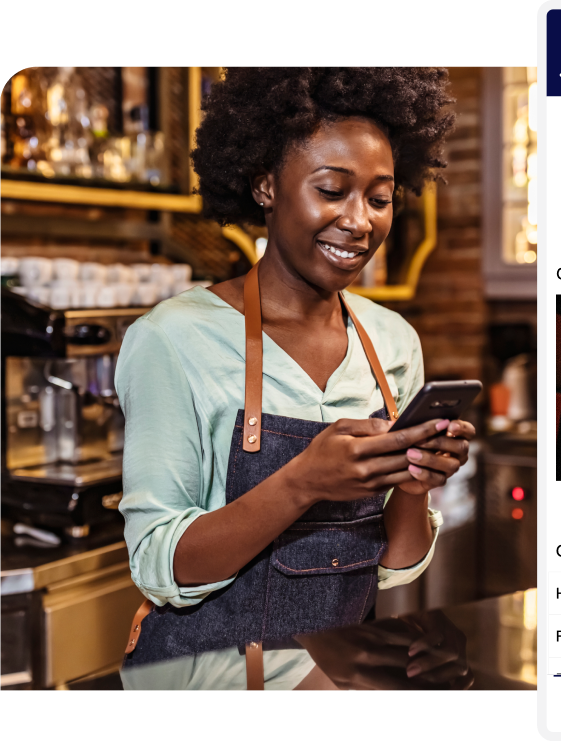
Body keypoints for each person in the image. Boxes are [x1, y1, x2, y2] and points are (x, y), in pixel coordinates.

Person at [116, 67, 471, 690]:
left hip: (338, 689)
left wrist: (416, 482)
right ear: (265, 186)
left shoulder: (393, 343)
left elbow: (394, 567)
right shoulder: (175, 337)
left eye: (379, 198)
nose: (359, 221)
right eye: (332, 190)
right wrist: (302, 482)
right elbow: (158, 564)